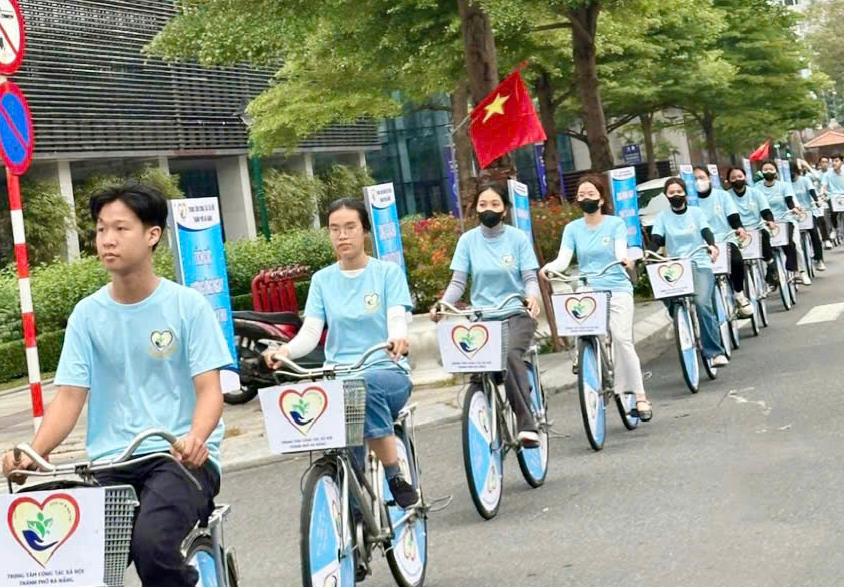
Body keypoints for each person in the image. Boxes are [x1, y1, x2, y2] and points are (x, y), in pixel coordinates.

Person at [0, 182, 230, 587]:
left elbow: (209, 390)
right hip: (110, 463)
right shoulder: (88, 315)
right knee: (74, 562)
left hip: (178, 459)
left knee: (153, 544)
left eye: (120, 228)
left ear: (152, 236)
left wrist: (196, 438)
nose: (107, 239)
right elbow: (69, 399)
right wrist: (31, 452)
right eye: (101, 229)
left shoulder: (186, 307)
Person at [267, 197, 419, 507]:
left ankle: (394, 474)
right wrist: (285, 351)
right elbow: (311, 332)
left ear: (364, 231)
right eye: (334, 229)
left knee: (364, 386)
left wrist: (398, 337)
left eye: (350, 227)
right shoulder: (322, 280)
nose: (342, 235)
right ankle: (355, 517)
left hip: (385, 372)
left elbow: (396, 318)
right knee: (345, 451)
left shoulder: (387, 273)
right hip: (339, 376)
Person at [431, 183, 544, 447]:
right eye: (483, 204)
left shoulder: (517, 238)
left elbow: (530, 278)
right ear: (475, 209)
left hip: (516, 313)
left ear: (504, 210)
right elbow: (458, 282)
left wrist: (532, 298)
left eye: (495, 204)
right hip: (482, 318)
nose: (488, 209)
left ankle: (526, 424)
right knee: (478, 369)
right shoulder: (467, 241)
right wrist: (442, 305)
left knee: (510, 354)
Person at [542, 174, 653, 421]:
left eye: (591, 194)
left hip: (616, 287)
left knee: (622, 339)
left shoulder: (615, 224)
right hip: (589, 286)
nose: (586, 198)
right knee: (576, 312)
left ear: (601, 199)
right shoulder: (572, 229)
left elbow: (620, 250)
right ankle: (582, 355)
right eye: (581, 195)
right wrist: (549, 268)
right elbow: (563, 259)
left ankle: (640, 396)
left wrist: (625, 260)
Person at [649, 177, 729, 366]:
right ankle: (679, 319)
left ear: (685, 193)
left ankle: (715, 352)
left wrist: (712, 245)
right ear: (666, 195)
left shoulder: (696, 212)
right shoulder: (662, 217)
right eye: (671, 192)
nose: (676, 195)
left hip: (699, 262)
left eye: (679, 191)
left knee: (702, 303)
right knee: (663, 290)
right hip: (675, 266)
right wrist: (649, 252)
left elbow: (706, 231)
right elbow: (657, 238)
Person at [694, 165, 752, 316]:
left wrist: (739, 227)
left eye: (701, 178)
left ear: (709, 178)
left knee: (737, 261)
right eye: (694, 179)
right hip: (701, 246)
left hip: (725, 239)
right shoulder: (690, 202)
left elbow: (733, 217)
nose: (698, 181)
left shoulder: (722, 196)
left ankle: (739, 294)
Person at [724, 165, 782, 294]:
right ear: (728, 180)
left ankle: (770, 265)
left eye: (740, 176)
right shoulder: (726, 196)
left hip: (756, 228)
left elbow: (765, 210)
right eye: (733, 178)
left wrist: (770, 221)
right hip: (737, 232)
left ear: (745, 177)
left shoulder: (756, 193)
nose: (737, 179)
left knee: (764, 235)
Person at [755, 159, 808, 285]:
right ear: (761, 172)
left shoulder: (784, 186)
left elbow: (789, 200)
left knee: (793, 243)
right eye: (765, 169)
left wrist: (793, 208)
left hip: (785, 219)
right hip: (766, 223)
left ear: (776, 172)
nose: (768, 171)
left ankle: (798, 271)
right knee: (764, 249)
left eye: (771, 169)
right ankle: (771, 276)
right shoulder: (756, 189)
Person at [790, 160, 828, 270]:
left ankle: (819, 259)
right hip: (794, 214)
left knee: (814, 233)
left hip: (808, 211)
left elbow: (812, 191)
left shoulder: (805, 180)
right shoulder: (785, 184)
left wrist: (817, 201)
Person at [822, 154, 844, 243]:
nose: (834, 163)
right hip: (833, 196)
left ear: (842, 162)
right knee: (832, 212)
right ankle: (835, 229)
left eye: (836, 161)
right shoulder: (827, 175)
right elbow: (824, 186)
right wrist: (823, 193)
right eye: (832, 161)